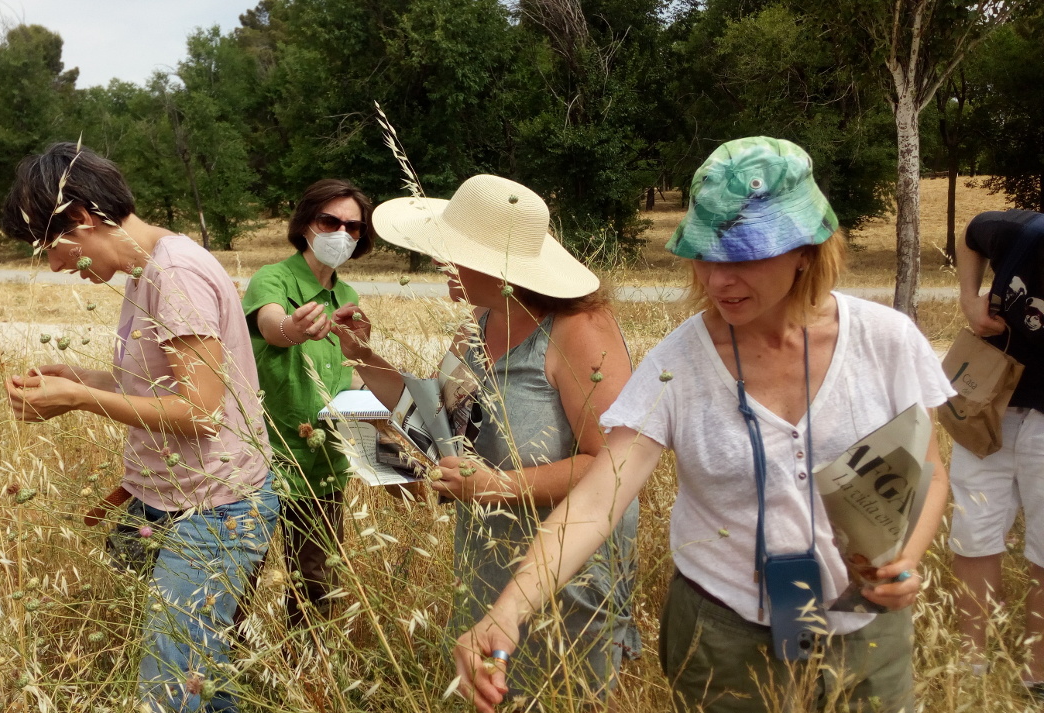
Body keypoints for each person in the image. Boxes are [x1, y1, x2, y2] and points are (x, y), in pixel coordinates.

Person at [452, 137, 954, 713]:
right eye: (705, 255)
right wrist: (509, 609)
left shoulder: (886, 342)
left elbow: (929, 473)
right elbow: (599, 495)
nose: (719, 281)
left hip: (867, 631)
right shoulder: (679, 364)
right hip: (723, 639)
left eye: (743, 258)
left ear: (806, 251)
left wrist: (904, 559)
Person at [332, 174, 642, 704]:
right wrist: (361, 354)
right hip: (490, 554)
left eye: (450, 251)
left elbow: (614, 464)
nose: (438, 261)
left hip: (566, 568)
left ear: (498, 266)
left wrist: (499, 485)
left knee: (561, 697)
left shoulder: (580, 330)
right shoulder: (478, 321)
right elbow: (437, 421)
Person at [0, 142, 277, 713]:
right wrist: (81, 377)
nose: (54, 266)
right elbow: (162, 383)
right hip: (176, 502)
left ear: (81, 217)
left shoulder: (174, 274)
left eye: (49, 248)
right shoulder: (147, 268)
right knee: (199, 676)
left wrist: (82, 398)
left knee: (169, 688)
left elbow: (200, 412)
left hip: (214, 510)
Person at [240, 178, 373, 627]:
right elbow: (273, 326)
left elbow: (346, 374)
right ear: (305, 224)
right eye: (330, 221)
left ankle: (307, 662)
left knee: (317, 584)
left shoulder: (347, 296)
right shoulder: (273, 278)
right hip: (267, 460)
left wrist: (361, 350)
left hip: (324, 463)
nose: (342, 233)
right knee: (240, 576)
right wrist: (295, 329)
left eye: (353, 227)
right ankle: (230, 663)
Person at [950, 210, 1044, 692]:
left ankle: (1037, 673)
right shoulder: (1025, 234)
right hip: (991, 404)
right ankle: (971, 668)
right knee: (972, 530)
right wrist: (969, 299)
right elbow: (971, 235)